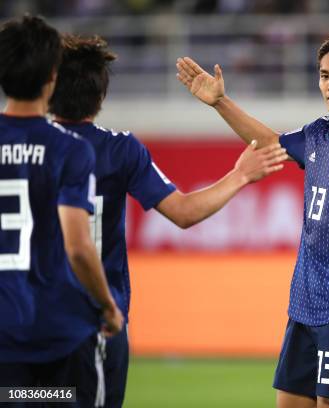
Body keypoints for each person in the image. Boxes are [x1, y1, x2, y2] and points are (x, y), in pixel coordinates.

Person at [176, 32, 329, 407]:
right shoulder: (316, 133)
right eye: (325, 75)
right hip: (305, 304)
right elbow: (269, 144)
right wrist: (220, 102)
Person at [48, 34, 288, 407]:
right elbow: (184, 212)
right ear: (100, 96)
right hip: (92, 322)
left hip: (23, 320)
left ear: (49, 89)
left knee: (27, 397)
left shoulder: (20, 145)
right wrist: (240, 175)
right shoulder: (118, 149)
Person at [0, 15, 123, 392]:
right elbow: (78, 247)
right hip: (60, 333)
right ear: (52, 79)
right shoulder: (70, 150)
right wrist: (107, 306)